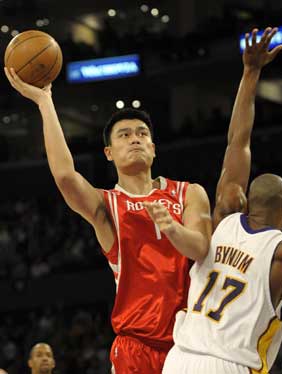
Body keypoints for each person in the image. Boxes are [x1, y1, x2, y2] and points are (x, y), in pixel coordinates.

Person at [4, 65, 212, 373]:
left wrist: (171, 227)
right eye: (124, 135)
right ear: (109, 152)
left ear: (153, 149)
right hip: (136, 348)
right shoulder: (107, 206)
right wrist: (44, 101)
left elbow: (201, 248)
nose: (135, 139)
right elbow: (64, 176)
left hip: (192, 343)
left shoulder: (189, 194)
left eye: (143, 134)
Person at [150, 27, 282, 374]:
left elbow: (237, 143)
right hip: (228, 366)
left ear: (247, 202)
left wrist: (250, 72)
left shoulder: (226, 211)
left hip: (180, 358)